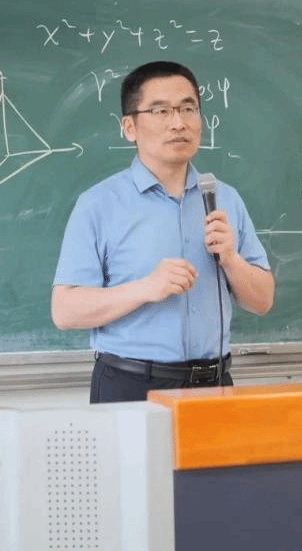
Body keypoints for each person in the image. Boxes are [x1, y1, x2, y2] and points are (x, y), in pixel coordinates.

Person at [51, 61, 275, 403]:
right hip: (131, 385)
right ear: (129, 127)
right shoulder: (98, 204)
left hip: (215, 385)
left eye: (188, 109)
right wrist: (144, 288)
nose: (178, 123)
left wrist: (231, 259)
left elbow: (262, 301)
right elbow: (65, 311)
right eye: (161, 111)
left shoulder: (224, 198)